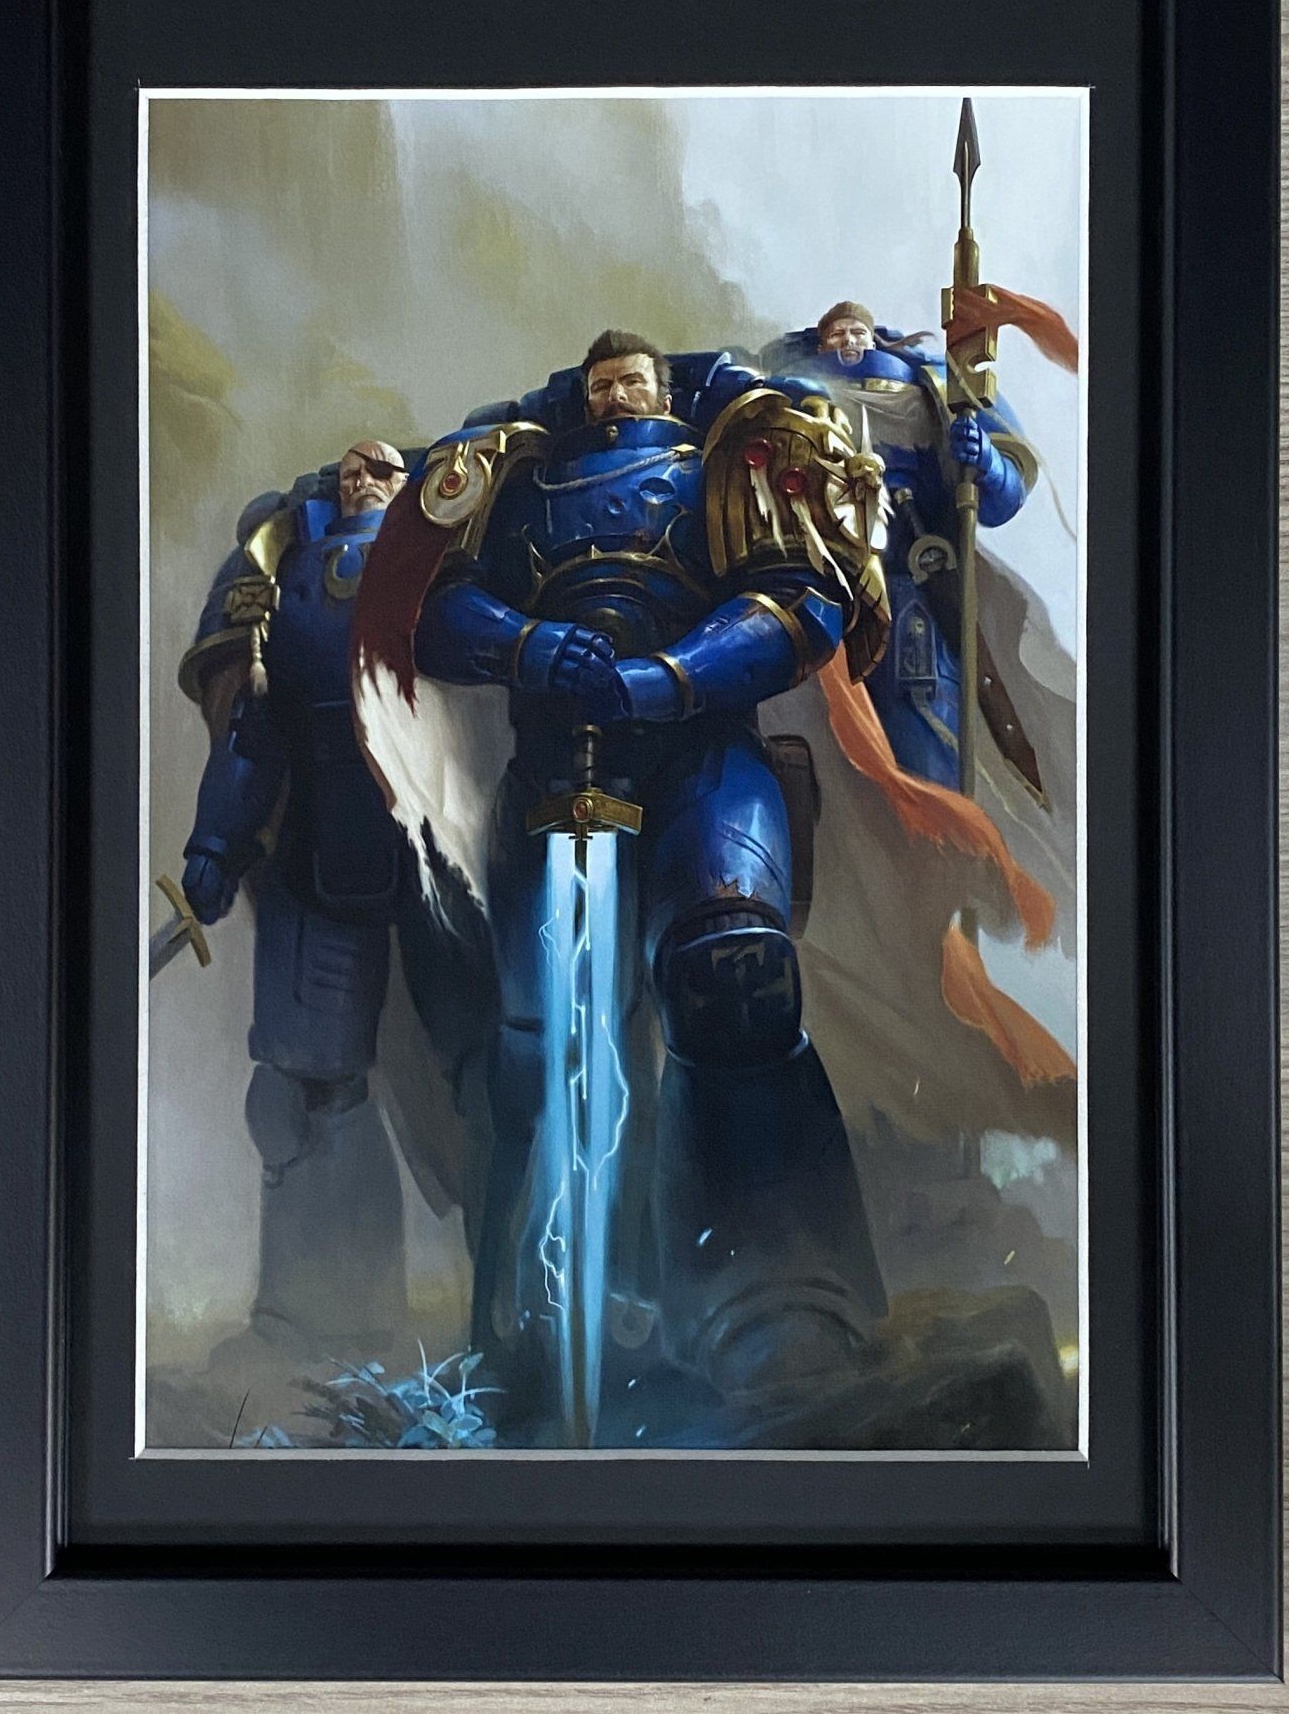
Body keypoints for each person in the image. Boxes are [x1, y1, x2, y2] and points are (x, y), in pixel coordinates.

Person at [358, 331, 893, 1406]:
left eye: (632, 380)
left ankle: (781, 1301)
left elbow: (802, 600)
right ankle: (531, 1318)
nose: (614, 395)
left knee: (732, 976)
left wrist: (669, 675)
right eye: (601, 383)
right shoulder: (517, 474)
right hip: (553, 775)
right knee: (535, 1047)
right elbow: (427, 602)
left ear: (662, 385)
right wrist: (523, 645)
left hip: (703, 762)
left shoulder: (726, 457)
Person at [175, 439, 486, 1372]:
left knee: (499, 1075)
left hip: (447, 841)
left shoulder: (449, 556)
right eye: (351, 468)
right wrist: (214, 847)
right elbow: (252, 733)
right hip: (319, 839)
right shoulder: (284, 568)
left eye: (381, 469)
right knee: (301, 1089)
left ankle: (530, 1321)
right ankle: (321, 1325)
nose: (361, 475)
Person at [765, 299, 1043, 796]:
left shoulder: (932, 386)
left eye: (857, 333)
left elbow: (1002, 500)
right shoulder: (787, 396)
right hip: (809, 584)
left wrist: (984, 462)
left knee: (924, 728)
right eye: (836, 335)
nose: (849, 342)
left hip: (911, 582)